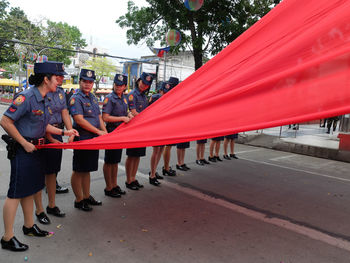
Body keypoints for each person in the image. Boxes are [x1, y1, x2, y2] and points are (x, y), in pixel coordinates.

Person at [0, 61, 78, 252]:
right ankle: (7, 237)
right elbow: (5, 120)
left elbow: (43, 126)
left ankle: (29, 226)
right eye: (56, 77)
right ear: (46, 79)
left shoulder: (45, 98)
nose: (59, 81)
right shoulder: (26, 97)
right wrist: (24, 143)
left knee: (31, 189)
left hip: (37, 150)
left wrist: (65, 133)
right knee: (16, 193)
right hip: (23, 151)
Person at [33, 62, 75, 225]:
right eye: (59, 76)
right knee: (39, 174)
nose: (61, 79)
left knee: (52, 173)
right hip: (41, 135)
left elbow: (64, 111)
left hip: (57, 132)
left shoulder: (60, 93)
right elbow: (38, 121)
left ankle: (51, 205)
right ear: (49, 77)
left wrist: (70, 131)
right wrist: (54, 138)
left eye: (62, 76)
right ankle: (39, 210)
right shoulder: (39, 92)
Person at [69, 69, 107, 211]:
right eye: (85, 81)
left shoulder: (93, 98)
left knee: (87, 170)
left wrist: (106, 133)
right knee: (79, 170)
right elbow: (79, 120)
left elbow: (98, 117)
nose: (87, 84)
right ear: (79, 81)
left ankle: (86, 196)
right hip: (83, 137)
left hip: (93, 139)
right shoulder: (76, 98)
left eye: (90, 82)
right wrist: (99, 132)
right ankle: (78, 199)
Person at [102, 74, 132, 197]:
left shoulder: (124, 98)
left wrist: (129, 115)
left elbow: (126, 112)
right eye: (116, 84)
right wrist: (122, 118)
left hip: (120, 133)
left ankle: (114, 185)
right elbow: (105, 117)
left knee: (115, 161)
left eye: (121, 85)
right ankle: (108, 187)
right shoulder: (110, 98)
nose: (118, 87)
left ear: (125, 86)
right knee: (109, 161)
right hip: (111, 131)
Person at [125, 72, 153, 190]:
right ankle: (128, 180)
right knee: (131, 155)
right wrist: (146, 119)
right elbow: (133, 111)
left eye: (147, 85)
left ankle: (133, 177)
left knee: (138, 156)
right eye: (143, 83)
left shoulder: (143, 96)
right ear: (138, 81)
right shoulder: (132, 95)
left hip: (141, 130)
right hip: (133, 130)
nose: (144, 86)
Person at [148, 82, 171, 186]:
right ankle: (152, 175)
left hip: (164, 128)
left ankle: (154, 171)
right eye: (164, 92)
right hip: (156, 128)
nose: (165, 94)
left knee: (161, 149)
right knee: (156, 151)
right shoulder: (154, 98)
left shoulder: (170, 99)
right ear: (160, 90)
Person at [162, 77, 180, 177]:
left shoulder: (174, 96)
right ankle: (165, 167)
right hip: (166, 125)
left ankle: (166, 167)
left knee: (168, 147)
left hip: (172, 124)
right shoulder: (168, 95)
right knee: (165, 147)